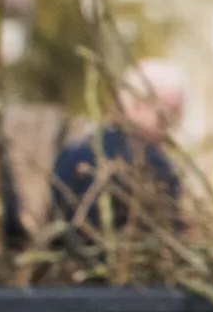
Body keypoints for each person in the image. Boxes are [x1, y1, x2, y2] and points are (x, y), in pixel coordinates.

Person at [47, 59, 187, 250]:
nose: (171, 129)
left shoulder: (74, 149)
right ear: (137, 105)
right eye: (167, 117)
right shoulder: (155, 167)